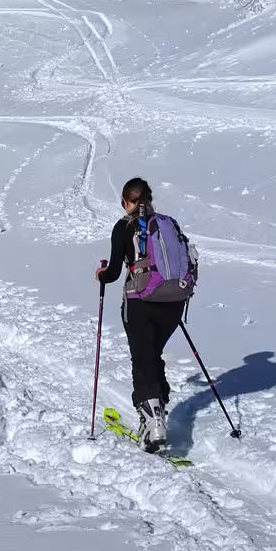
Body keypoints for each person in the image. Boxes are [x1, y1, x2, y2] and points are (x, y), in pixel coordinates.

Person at [94, 178, 188, 452]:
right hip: (174, 301)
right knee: (152, 355)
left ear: (125, 202)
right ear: (149, 200)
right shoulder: (168, 223)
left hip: (140, 302)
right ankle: (159, 407)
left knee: (143, 358)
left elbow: (112, 273)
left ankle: (152, 422)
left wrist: (102, 273)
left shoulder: (124, 226)